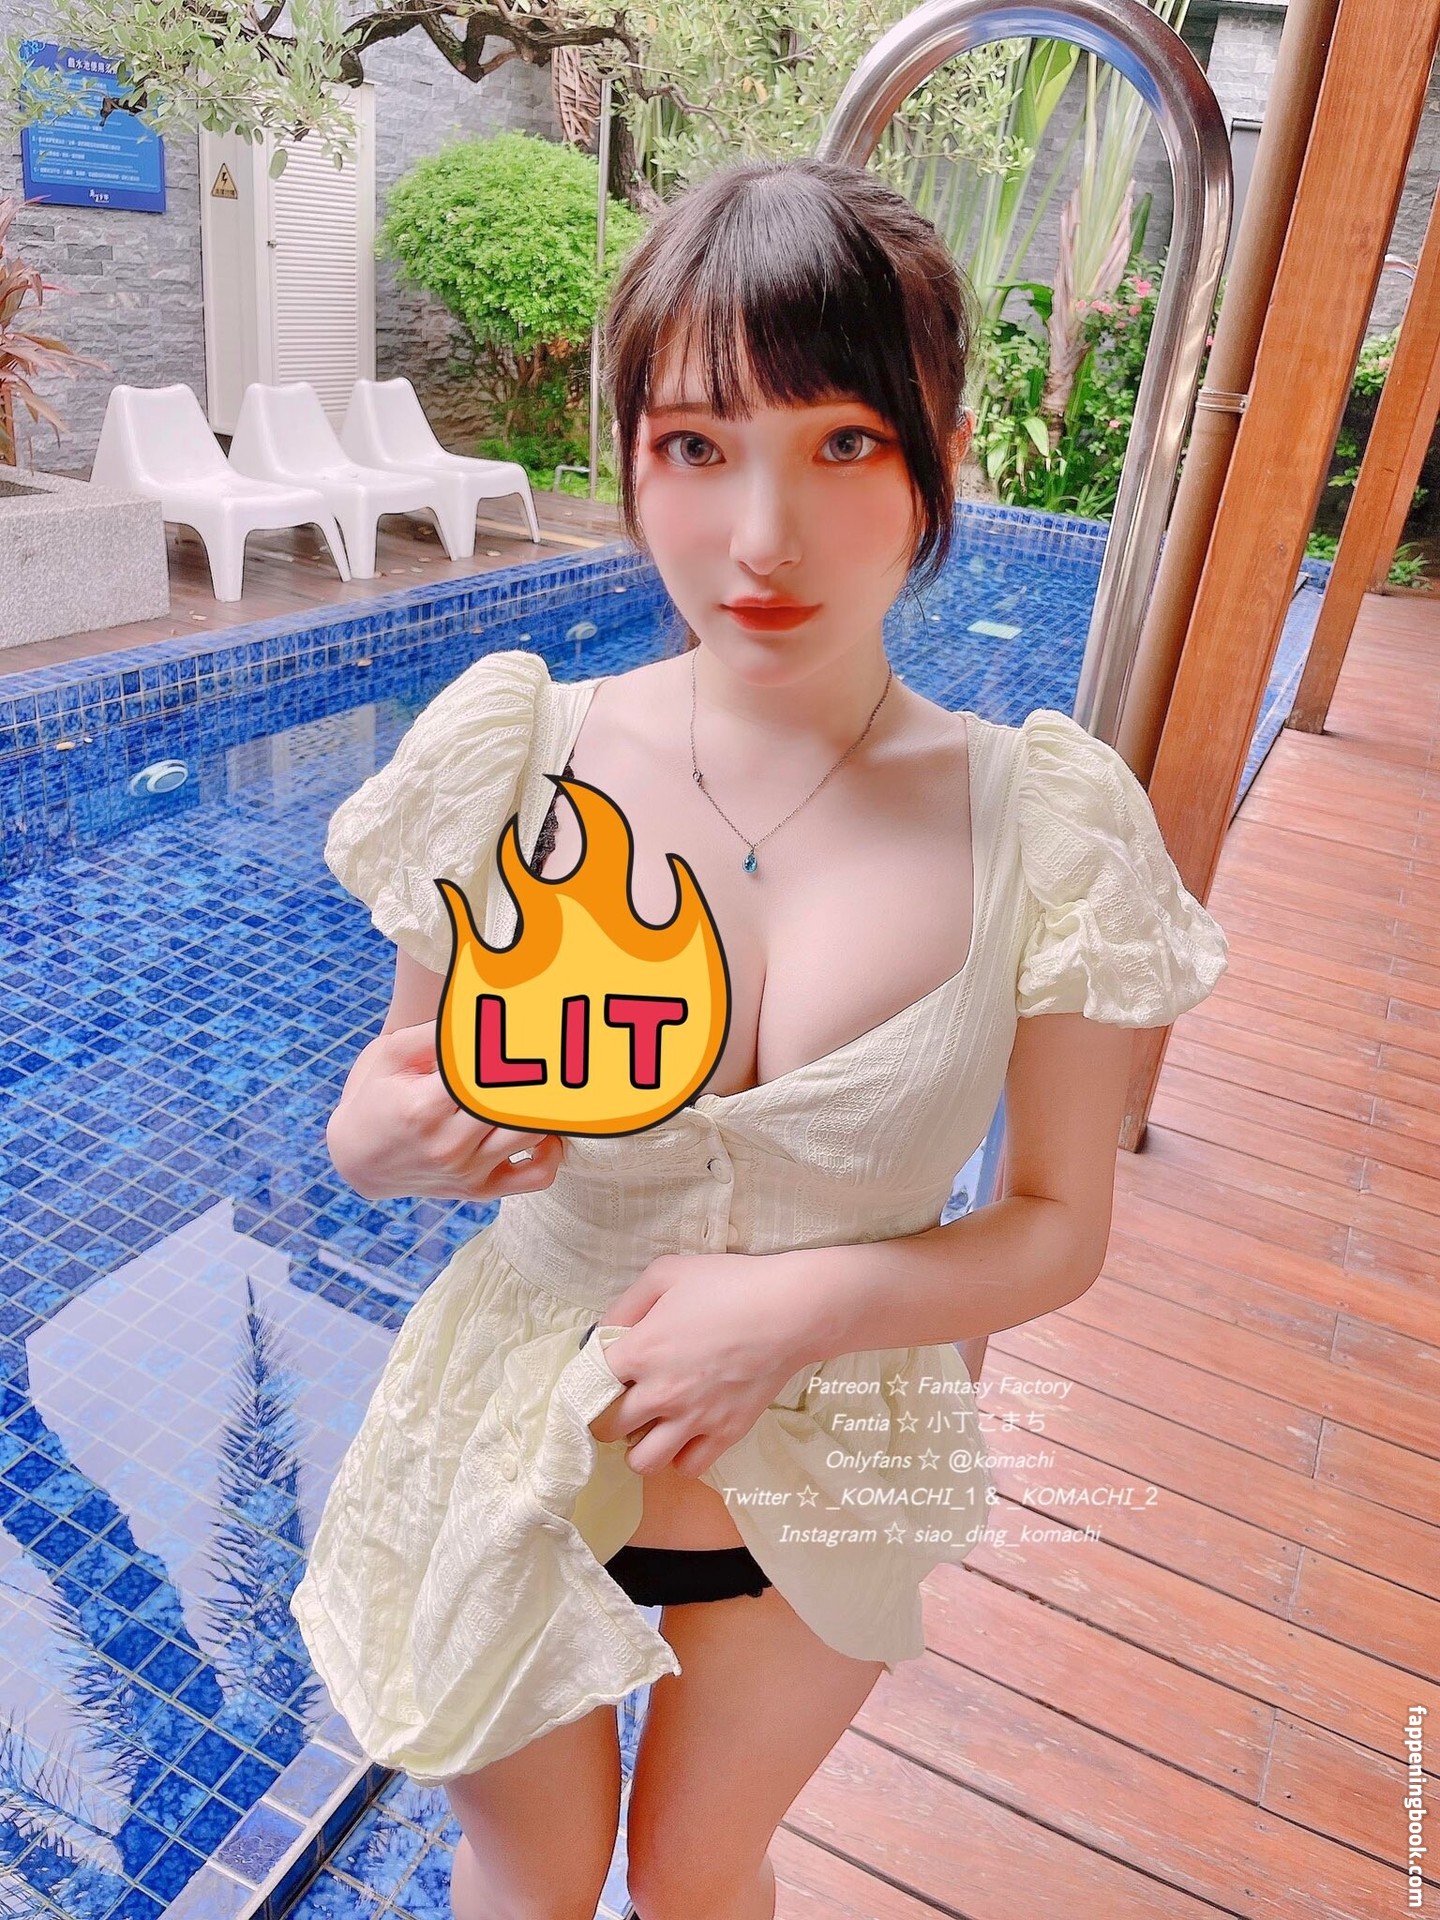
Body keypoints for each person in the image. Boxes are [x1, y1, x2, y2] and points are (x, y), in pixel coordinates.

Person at [288, 157, 1229, 1920]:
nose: (764, 538)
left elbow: (1057, 1224)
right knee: (531, 1878)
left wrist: (806, 1303)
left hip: (836, 1464)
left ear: (942, 451)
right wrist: (381, 1139)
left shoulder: (1040, 821)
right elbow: (386, 1101)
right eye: (697, 445)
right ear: (633, 459)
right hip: (512, 1445)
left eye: (845, 442)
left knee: (701, 1875)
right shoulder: (518, 756)